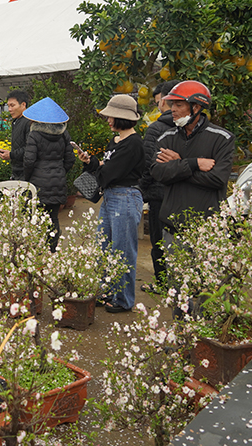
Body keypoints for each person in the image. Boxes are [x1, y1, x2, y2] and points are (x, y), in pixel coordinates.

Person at [75, 94, 145, 313]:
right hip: (112, 196)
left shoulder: (133, 143)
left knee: (122, 250)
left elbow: (110, 172)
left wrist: (97, 167)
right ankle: (105, 293)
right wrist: (92, 162)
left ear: (121, 118)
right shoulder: (116, 140)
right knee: (104, 247)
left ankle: (123, 300)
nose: (108, 120)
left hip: (125, 197)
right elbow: (107, 166)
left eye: (111, 116)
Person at [149, 80, 235, 237]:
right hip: (173, 226)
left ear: (196, 107)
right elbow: (158, 173)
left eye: (179, 105)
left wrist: (178, 165)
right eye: (172, 104)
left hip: (209, 226)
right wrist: (193, 163)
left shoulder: (222, 138)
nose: (172, 109)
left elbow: (217, 179)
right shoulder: (165, 139)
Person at [138, 81, 179, 293]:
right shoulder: (192, 127)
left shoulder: (156, 128)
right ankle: (182, 284)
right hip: (183, 193)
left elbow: (147, 163)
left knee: (159, 241)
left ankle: (164, 285)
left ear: (164, 100)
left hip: (158, 192)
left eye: (157, 103)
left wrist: (141, 190)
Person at [23, 97, 76, 252]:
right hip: (57, 182)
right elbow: (70, 159)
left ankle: (37, 251)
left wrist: (29, 178)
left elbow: (29, 161)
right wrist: (60, 172)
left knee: (35, 217)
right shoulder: (64, 135)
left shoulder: (34, 135)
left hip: (38, 183)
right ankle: (51, 251)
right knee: (53, 217)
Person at [0, 90, 31, 180]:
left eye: (12, 105)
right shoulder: (16, 122)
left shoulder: (29, 122)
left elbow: (30, 149)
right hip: (17, 172)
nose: (10, 109)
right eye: (8, 106)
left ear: (23, 105)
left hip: (27, 172)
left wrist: (11, 155)